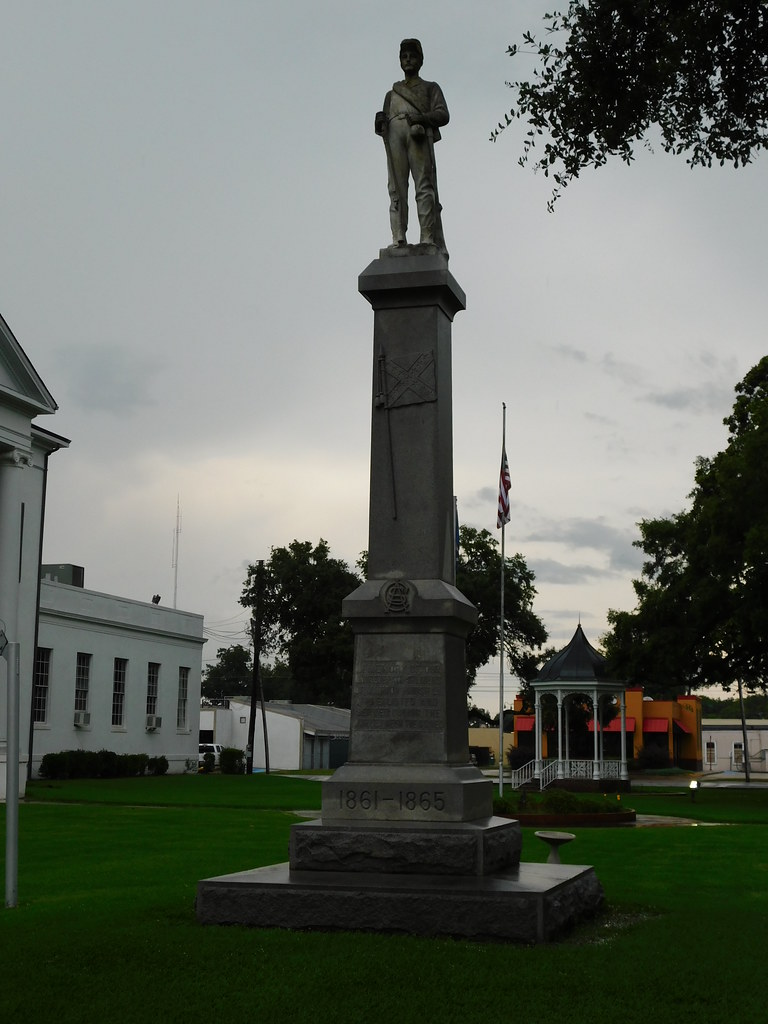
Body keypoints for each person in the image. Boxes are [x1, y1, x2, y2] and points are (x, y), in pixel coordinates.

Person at [375, 39, 449, 249]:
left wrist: (423, 119)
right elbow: (383, 124)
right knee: (396, 188)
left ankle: (427, 237)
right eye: (404, 57)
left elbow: (443, 114)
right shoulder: (391, 94)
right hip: (395, 136)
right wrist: (380, 121)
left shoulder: (430, 88)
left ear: (420, 60)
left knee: (423, 186)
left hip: (418, 134)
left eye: (412, 56)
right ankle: (398, 236)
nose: (408, 60)